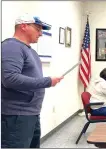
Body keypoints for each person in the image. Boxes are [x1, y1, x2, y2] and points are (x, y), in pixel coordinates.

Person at [1, 14, 63, 148]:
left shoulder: (30, 51)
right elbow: (10, 78)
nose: (41, 33)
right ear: (23, 26)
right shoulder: (11, 47)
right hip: (16, 115)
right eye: (38, 29)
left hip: (31, 113)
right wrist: (47, 82)